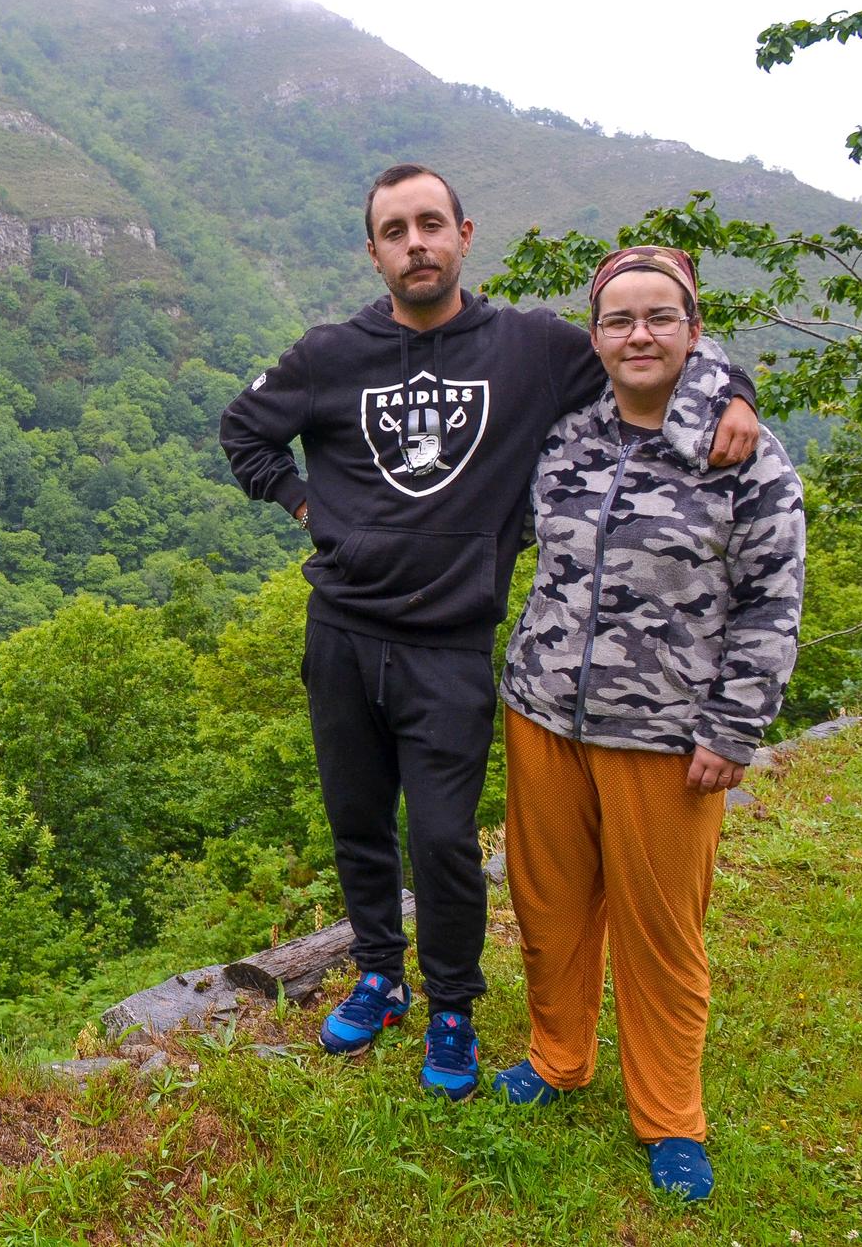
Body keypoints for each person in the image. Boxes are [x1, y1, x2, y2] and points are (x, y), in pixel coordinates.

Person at [218, 165, 760, 1099]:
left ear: (465, 234)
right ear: (374, 250)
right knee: (358, 826)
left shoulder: (530, 347)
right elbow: (244, 432)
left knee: (442, 840)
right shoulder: (329, 353)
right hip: (342, 631)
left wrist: (736, 389)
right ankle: (381, 975)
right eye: (396, 230)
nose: (416, 242)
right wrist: (310, 506)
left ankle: (455, 1007)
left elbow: (652, 344)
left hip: (452, 642)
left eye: (432, 224)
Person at [491, 245, 805, 1202]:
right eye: (619, 319)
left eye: (659, 317)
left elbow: (770, 600)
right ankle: (557, 1056)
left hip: (667, 736)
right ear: (596, 337)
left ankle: (670, 1113)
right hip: (543, 711)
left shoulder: (742, 453)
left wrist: (734, 726)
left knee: (662, 930)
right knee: (548, 908)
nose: (639, 334)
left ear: (694, 330)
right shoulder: (568, 436)